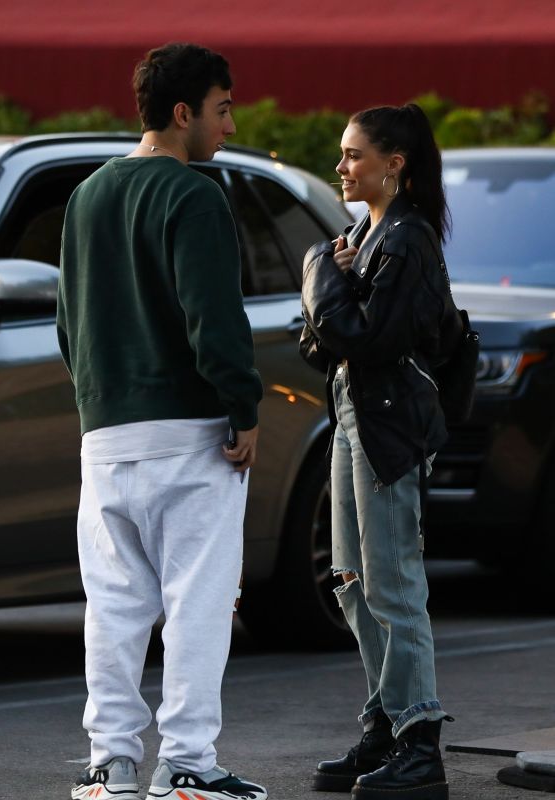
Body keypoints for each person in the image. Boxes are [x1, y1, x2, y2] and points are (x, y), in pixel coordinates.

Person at [57, 42, 266, 800]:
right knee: (197, 602)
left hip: (106, 433)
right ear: (184, 113)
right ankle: (187, 767)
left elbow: (67, 321)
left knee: (113, 607)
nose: (231, 125)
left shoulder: (85, 197)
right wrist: (243, 406)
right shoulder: (194, 194)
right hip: (191, 431)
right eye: (222, 108)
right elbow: (215, 318)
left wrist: (96, 401)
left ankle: (110, 768)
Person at [300, 104, 463, 800]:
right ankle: (386, 723)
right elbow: (318, 344)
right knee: (351, 581)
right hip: (351, 410)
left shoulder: (406, 239)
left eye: (354, 155)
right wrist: (330, 286)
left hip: (390, 421)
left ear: (395, 162)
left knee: (392, 582)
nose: (342, 167)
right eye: (342, 155)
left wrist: (318, 274)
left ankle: (419, 743)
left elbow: (368, 339)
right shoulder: (358, 237)